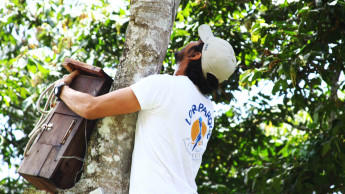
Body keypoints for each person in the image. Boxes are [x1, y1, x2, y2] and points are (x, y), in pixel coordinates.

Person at [54, 24, 237, 193]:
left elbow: (90, 107)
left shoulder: (166, 86)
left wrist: (61, 89)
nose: (191, 41)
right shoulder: (208, 110)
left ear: (195, 55)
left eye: (196, 42)